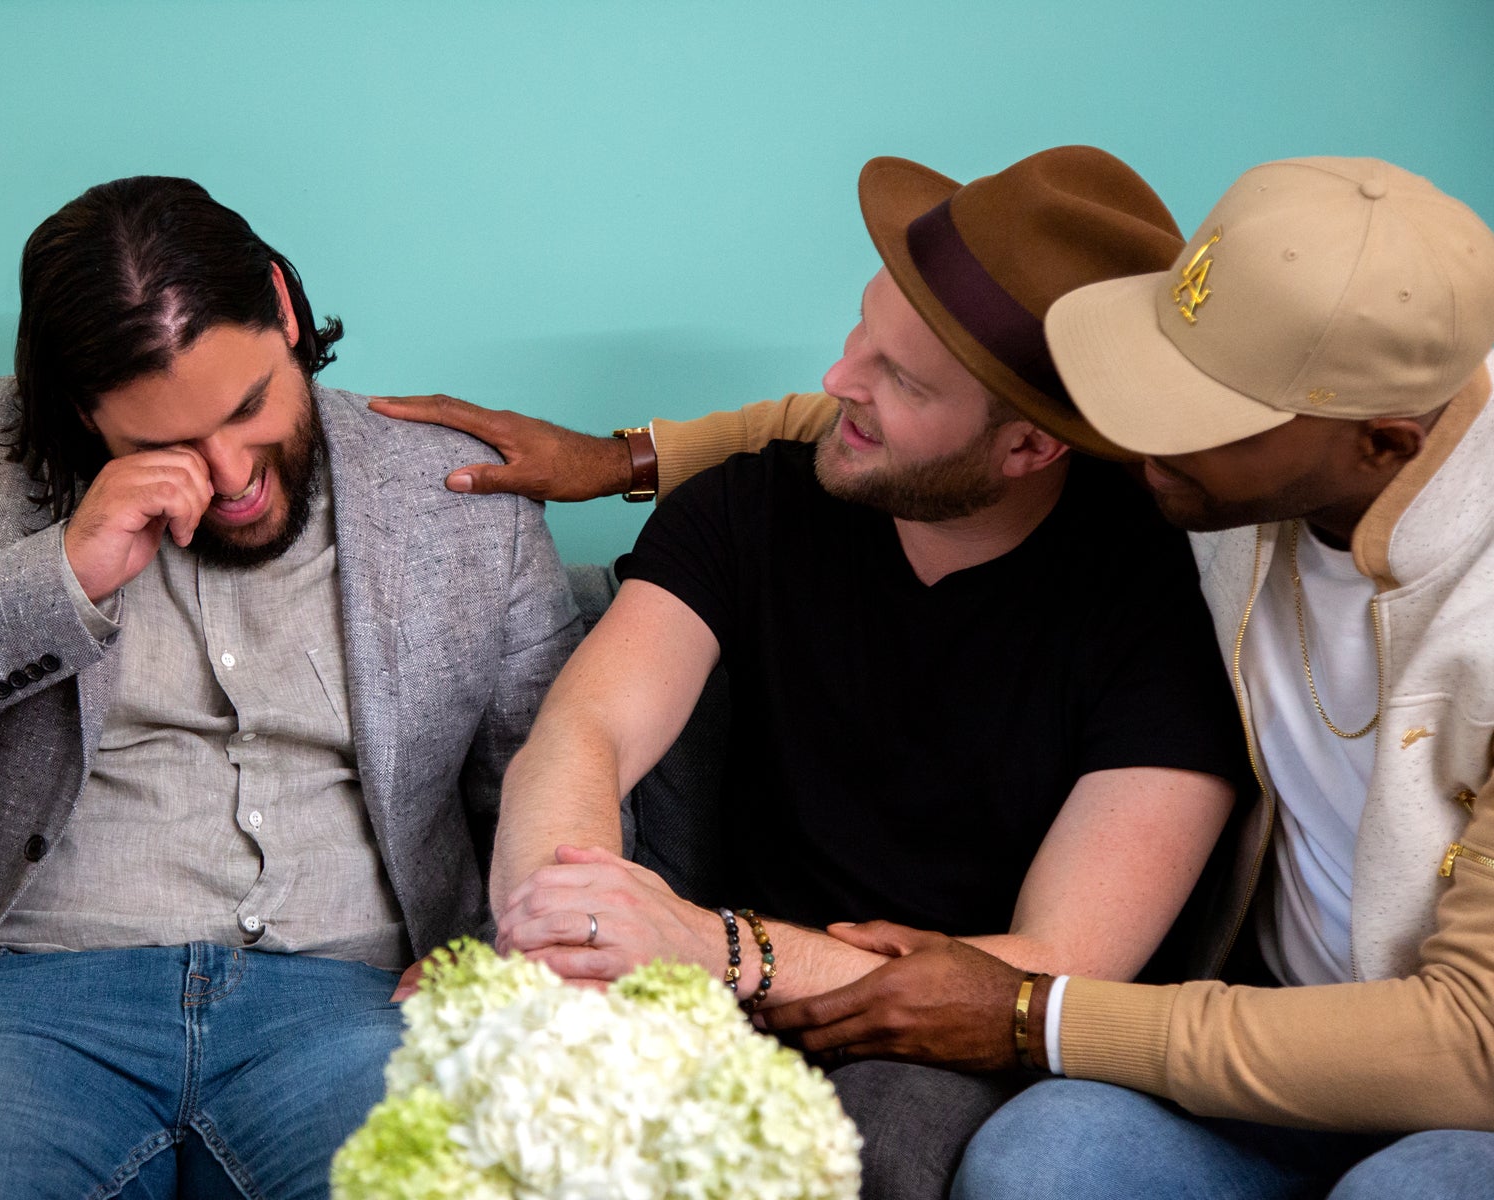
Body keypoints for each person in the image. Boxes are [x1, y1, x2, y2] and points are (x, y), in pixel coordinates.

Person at [0, 176, 579, 1198]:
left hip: (360, 1010)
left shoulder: (457, 495)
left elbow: (563, 772)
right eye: (162, 444)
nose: (230, 475)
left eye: (249, 406)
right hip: (17, 1012)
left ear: (282, 307)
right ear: (80, 415)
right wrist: (55, 579)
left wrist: (508, 953)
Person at [454, 147, 1251, 1200]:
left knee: (871, 1144)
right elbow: (584, 731)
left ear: (1029, 450)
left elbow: (1056, 967)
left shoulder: (1161, 605)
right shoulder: (753, 508)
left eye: (901, 380)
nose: (838, 382)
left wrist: (712, 948)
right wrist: (564, 932)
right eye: (861, 334)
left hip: (970, 1050)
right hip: (715, 995)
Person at [938, 157, 1494, 1197]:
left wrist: (1030, 1013)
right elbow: (964, 411)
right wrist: (645, 455)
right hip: (1277, 1054)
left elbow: (1471, 1047)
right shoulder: (1241, 463)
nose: (1138, 435)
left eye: (1195, 415)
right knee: (1046, 1157)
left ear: (1380, 445)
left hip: (1462, 1102)